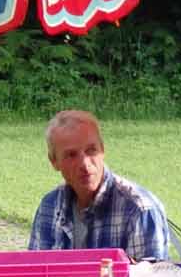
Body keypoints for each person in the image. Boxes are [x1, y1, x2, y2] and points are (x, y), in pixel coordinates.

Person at [28, 109, 170, 261]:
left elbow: (150, 275)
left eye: (91, 150)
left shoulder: (139, 210)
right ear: (54, 162)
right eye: (71, 155)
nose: (84, 164)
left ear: (102, 150)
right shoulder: (49, 206)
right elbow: (34, 270)